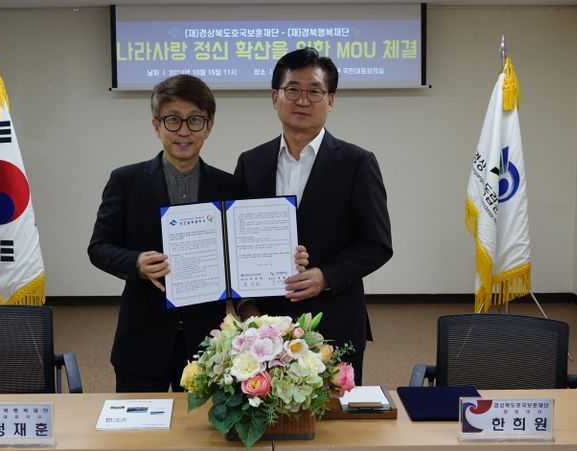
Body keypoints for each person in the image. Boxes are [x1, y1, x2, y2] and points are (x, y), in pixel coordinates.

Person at [234, 47, 393, 384]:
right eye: (292, 89)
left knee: (334, 414)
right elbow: (236, 241)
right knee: (266, 410)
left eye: (315, 91)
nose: (303, 100)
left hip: (333, 321)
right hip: (266, 328)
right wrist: (247, 308)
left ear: (330, 99)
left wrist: (325, 275)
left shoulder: (357, 162)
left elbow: (377, 244)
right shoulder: (251, 162)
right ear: (275, 97)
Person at [88, 75, 238, 392]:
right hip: (142, 337)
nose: (184, 131)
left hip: (207, 343)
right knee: (139, 423)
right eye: (172, 120)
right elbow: (99, 247)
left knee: (201, 424)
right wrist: (136, 263)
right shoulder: (126, 181)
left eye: (195, 120)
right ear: (156, 126)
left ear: (209, 126)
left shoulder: (229, 187)